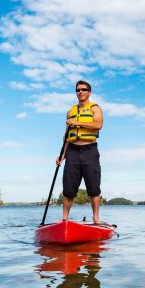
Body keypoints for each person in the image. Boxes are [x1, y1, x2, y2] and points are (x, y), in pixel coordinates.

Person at [56, 80, 104, 222]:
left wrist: (76, 122)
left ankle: (96, 218)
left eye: (83, 89)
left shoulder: (95, 108)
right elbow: (67, 135)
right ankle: (64, 218)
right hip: (73, 151)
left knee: (93, 187)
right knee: (69, 188)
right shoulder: (70, 112)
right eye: (78, 90)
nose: (80, 92)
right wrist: (62, 155)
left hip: (90, 150)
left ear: (89, 92)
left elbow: (98, 124)